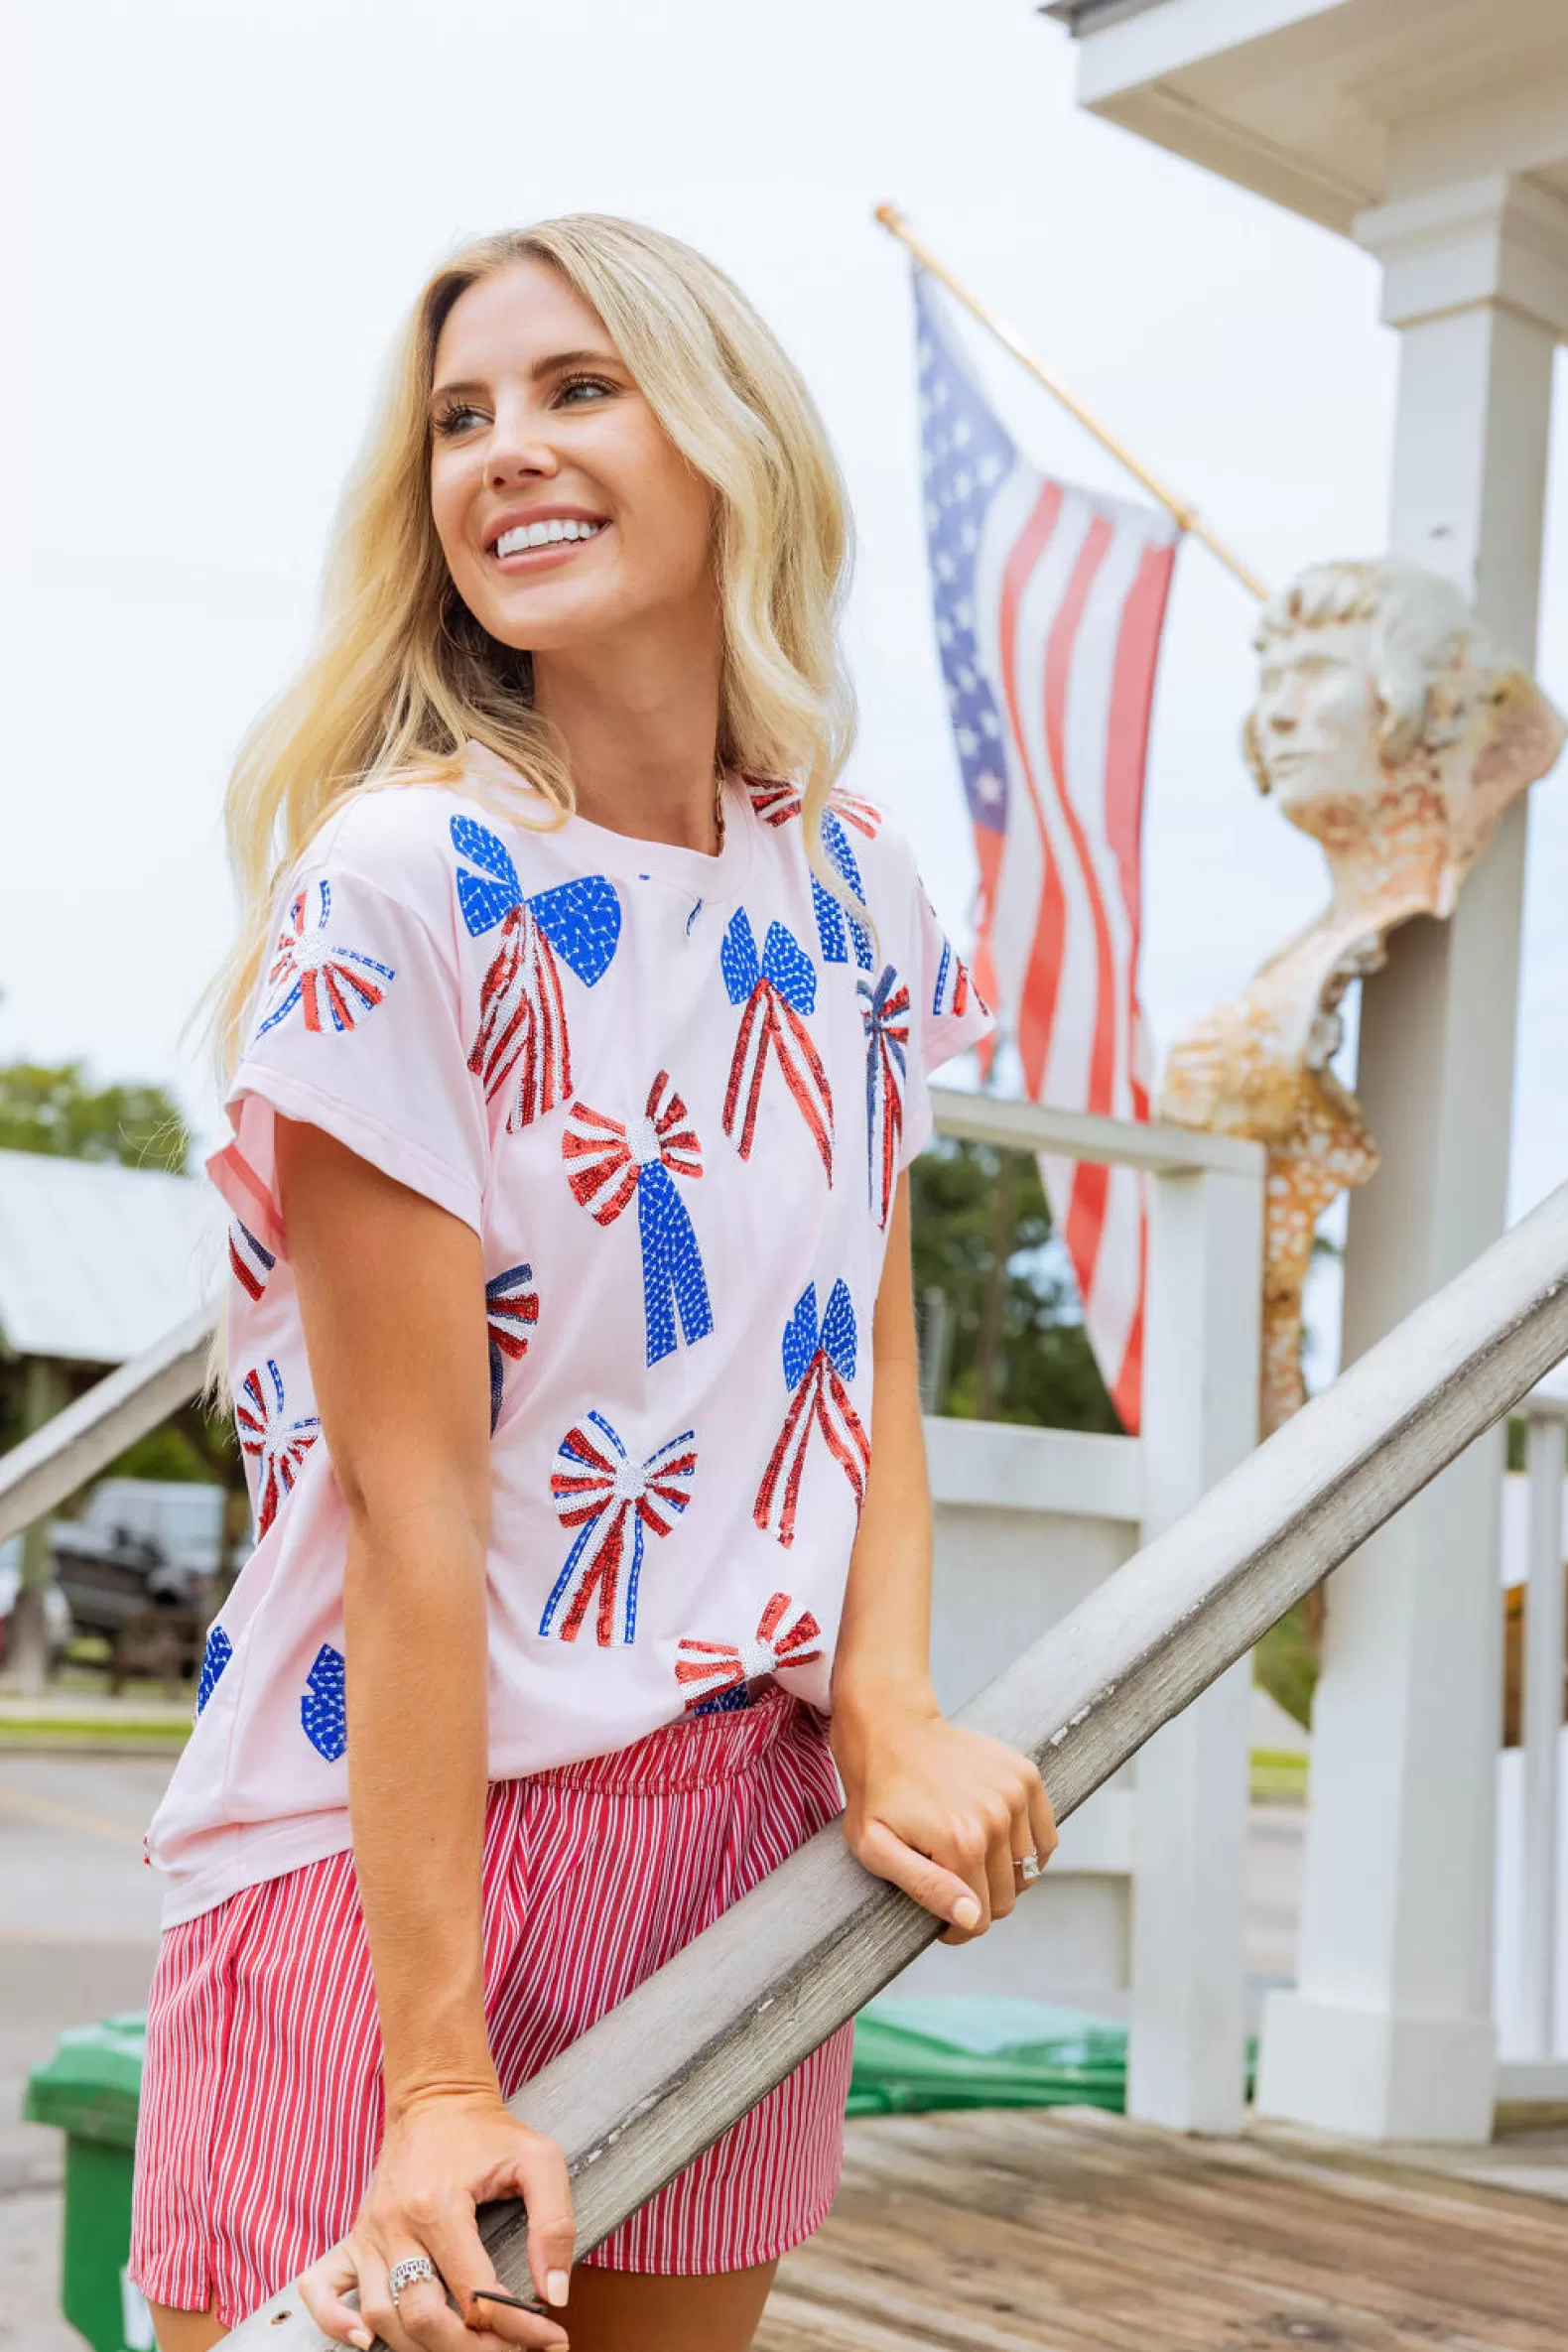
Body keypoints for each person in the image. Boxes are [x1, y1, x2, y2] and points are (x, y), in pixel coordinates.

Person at [130, 213, 1058, 2352]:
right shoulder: (398, 884)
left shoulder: (857, 885)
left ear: (726, 434)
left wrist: (886, 1700)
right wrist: (436, 2073)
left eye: (573, 390)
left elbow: (860, 1344)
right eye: (458, 419)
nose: (500, 456)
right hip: (391, 1869)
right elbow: (412, 1507)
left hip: (731, 1836)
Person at [1161, 557, 1563, 1429]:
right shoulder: (1289, 960)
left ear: (1433, 700)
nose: (1275, 712)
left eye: (1315, 674)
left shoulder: (1340, 948)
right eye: (1270, 680)